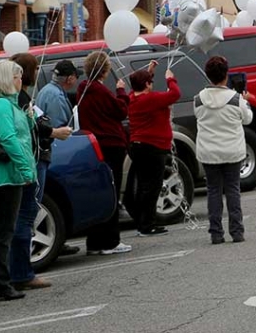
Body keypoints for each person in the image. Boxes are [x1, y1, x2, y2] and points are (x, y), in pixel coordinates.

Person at [7, 53, 72, 291]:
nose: (37, 73)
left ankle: (20, 271)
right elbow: (33, 127)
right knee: (27, 215)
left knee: (25, 215)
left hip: (34, 160)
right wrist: (54, 132)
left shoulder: (22, 98)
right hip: (33, 161)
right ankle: (22, 273)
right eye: (34, 69)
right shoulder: (18, 100)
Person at [0, 59, 37, 302]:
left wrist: (30, 117)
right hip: (5, 176)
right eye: (17, 76)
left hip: (9, 174)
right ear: (7, 79)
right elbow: (9, 139)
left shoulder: (10, 104)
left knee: (4, 230)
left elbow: (23, 135)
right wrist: (25, 169)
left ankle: (1, 284)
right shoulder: (2, 105)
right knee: (3, 232)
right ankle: (0, 285)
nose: (20, 80)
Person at [77, 51, 132, 255]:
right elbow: (121, 111)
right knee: (112, 193)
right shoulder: (100, 91)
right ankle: (111, 241)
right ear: (105, 70)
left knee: (99, 194)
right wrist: (121, 92)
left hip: (93, 145)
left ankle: (94, 242)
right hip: (111, 144)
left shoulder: (83, 89)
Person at [195, 56, 252, 244]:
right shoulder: (236, 99)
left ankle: (216, 233)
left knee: (213, 191)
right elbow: (248, 119)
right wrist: (246, 101)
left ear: (207, 75)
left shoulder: (198, 100)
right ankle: (237, 232)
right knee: (233, 190)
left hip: (208, 151)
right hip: (232, 150)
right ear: (226, 75)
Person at [127, 61, 181, 236]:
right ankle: (147, 224)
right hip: (153, 147)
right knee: (152, 187)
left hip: (137, 146)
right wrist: (170, 80)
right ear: (147, 85)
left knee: (143, 186)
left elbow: (141, 85)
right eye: (150, 82)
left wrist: (149, 72)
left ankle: (143, 222)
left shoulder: (132, 98)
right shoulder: (150, 99)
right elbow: (175, 94)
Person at [34, 59, 81, 256]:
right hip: (50, 150)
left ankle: (55, 240)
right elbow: (59, 126)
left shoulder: (47, 90)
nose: (77, 80)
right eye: (75, 76)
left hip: (44, 150)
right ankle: (53, 241)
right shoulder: (55, 96)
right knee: (42, 200)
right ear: (69, 78)